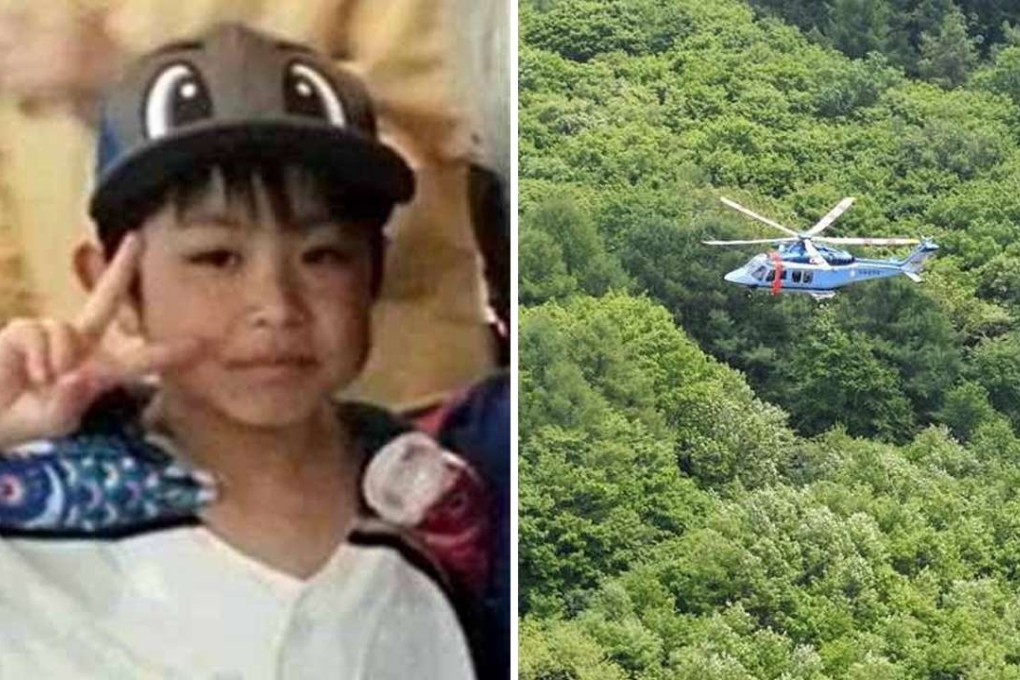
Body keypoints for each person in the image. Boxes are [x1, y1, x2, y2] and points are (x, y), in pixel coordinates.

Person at [0, 24, 485, 678]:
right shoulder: (34, 507)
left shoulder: (457, 504)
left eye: (323, 256)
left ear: (374, 272)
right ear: (110, 280)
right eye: (217, 258)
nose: (277, 305)